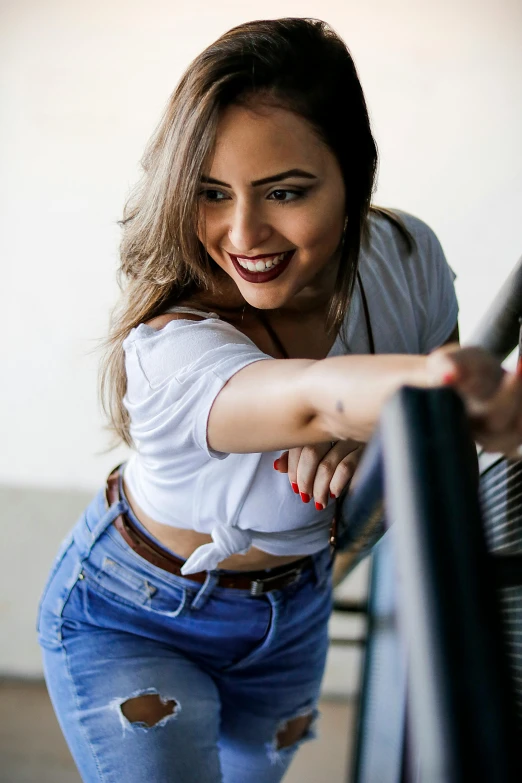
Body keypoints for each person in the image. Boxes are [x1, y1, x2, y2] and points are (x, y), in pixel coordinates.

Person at [37, 18, 522, 783]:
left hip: (294, 611)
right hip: (136, 615)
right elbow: (310, 395)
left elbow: (412, 450)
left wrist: (374, 440)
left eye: (285, 192)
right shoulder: (170, 346)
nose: (242, 233)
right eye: (210, 194)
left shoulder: (405, 258)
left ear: (353, 176)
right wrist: (443, 394)